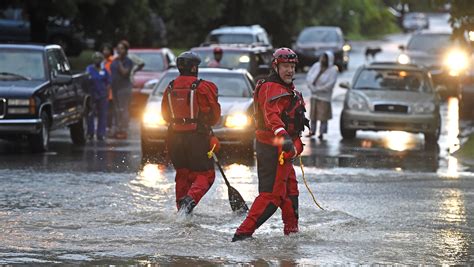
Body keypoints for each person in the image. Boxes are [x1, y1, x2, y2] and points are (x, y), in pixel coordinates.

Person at [232, 48, 307, 242]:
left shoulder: (287, 89)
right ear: (276, 66)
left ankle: (291, 240)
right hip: (273, 150)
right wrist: (283, 136)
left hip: (286, 151)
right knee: (271, 196)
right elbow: (271, 115)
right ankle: (242, 235)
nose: (290, 70)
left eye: (292, 66)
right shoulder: (270, 88)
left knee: (291, 195)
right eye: (285, 67)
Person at [161, 51, 221, 215]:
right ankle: (189, 200)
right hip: (197, 138)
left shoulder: (170, 87)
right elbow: (214, 116)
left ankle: (182, 209)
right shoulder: (203, 87)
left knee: (182, 174)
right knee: (206, 174)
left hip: (173, 138)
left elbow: (165, 115)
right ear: (194, 67)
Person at [305, 51, 338, 140]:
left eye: (325, 58)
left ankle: (322, 133)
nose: (323, 60)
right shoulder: (316, 66)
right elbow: (309, 76)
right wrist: (311, 87)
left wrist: (318, 89)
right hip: (314, 95)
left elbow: (330, 84)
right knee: (313, 114)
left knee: (323, 116)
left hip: (324, 97)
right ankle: (312, 131)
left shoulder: (333, 70)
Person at [110, 40, 133, 139]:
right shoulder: (114, 61)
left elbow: (124, 73)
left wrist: (119, 61)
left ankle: (124, 129)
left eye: (122, 48)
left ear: (126, 50)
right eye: (118, 48)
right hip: (115, 88)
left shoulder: (128, 61)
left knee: (123, 109)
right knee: (116, 109)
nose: (119, 50)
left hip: (124, 88)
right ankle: (117, 129)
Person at [86, 52, 110, 141]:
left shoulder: (104, 70)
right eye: (95, 58)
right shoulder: (89, 69)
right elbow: (87, 79)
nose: (97, 60)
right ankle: (90, 133)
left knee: (102, 114)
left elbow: (108, 82)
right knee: (90, 114)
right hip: (92, 94)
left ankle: (101, 134)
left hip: (102, 95)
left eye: (99, 58)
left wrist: (107, 93)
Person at [101, 43, 115, 132]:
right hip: (103, 87)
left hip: (111, 88)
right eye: (104, 50)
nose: (105, 51)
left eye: (107, 50)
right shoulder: (102, 62)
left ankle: (109, 125)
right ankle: (105, 125)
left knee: (110, 108)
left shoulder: (113, 61)